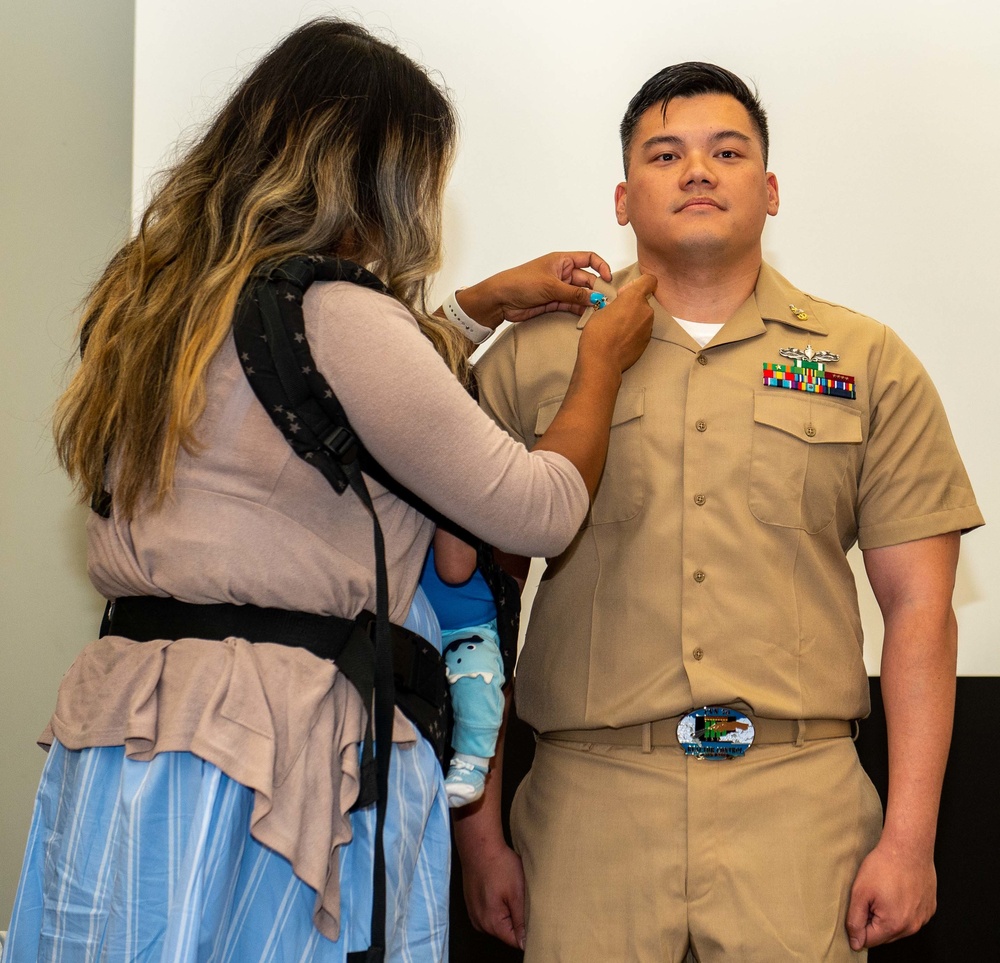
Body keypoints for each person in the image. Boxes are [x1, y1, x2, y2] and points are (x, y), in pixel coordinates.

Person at [2, 18, 656, 963]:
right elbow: (537, 506)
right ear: (382, 175)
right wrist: (599, 363)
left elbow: (306, 417)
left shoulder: (157, 302)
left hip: (136, 733)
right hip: (270, 746)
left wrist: (470, 312)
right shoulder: (344, 313)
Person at [457, 62, 984, 962]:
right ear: (623, 199)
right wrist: (479, 835)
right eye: (666, 154)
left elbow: (919, 609)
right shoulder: (537, 359)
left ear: (770, 189)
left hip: (799, 808)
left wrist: (909, 839)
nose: (698, 171)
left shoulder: (866, 358)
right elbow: (475, 609)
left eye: (726, 151)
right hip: (589, 810)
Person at [420, 530, 506, 807]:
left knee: (478, 674)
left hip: (468, 626)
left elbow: (454, 568)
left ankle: (472, 761)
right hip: (405, 618)